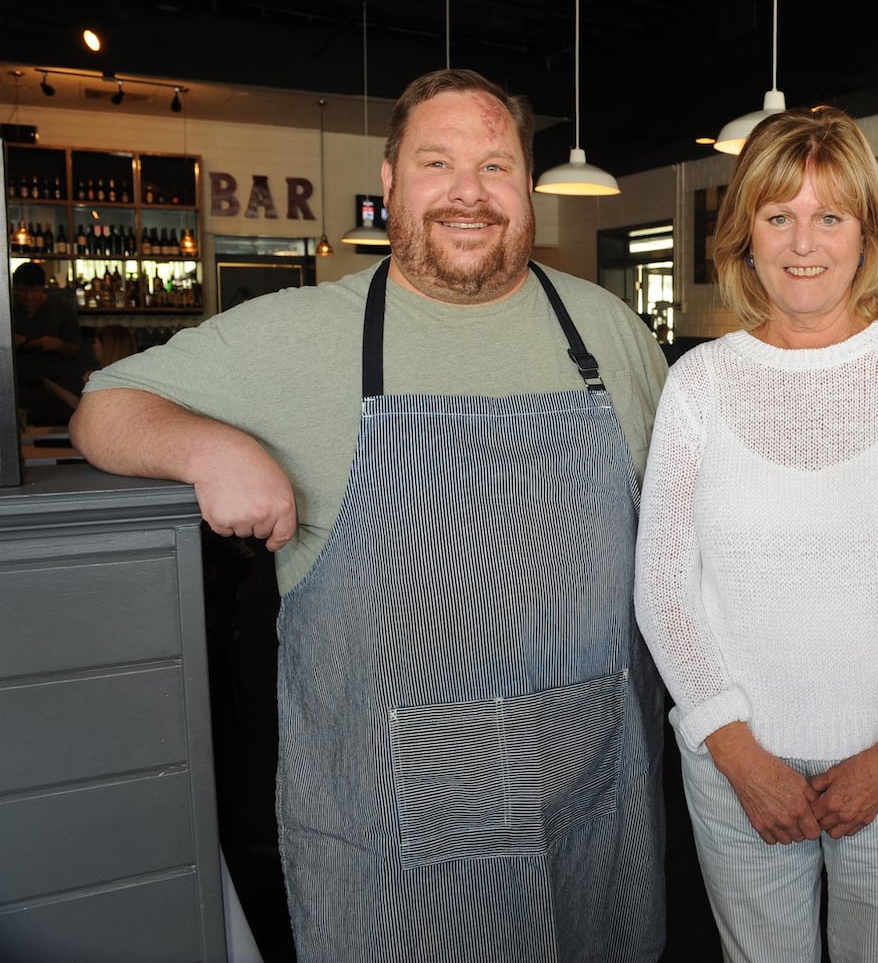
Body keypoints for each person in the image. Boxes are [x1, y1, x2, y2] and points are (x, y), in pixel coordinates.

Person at [71, 68, 670, 963]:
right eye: (438, 162)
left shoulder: (608, 328)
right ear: (389, 181)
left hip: (594, 796)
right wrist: (208, 448)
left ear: (526, 187)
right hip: (396, 827)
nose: (469, 193)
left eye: (496, 166)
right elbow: (104, 406)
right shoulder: (296, 333)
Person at [634, 107, 878, 963]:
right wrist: (735, 749)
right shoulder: (700, 383)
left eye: (829, 215)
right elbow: (663, 588)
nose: (805, 243)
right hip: (737, 772)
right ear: (746, 235)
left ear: (867, 232)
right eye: (779, 215)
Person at [11, 260, 85, 425]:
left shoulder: (61, 309)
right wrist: (8, 344)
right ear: (15, 288)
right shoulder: (8, 309)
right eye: (23, 291)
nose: (28, 297)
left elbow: (77, 350)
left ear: (43, 287)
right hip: (16, 391)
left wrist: (57, 345)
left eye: (34, 291)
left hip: (55, 392)